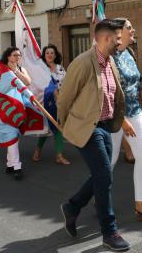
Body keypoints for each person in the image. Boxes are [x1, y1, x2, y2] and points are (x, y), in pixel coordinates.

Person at [57, 19, 130, 252]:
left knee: (102, 174)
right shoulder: (82, 63)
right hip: (86, 127)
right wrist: (65, 126)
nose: (120, 41)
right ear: (106, 38)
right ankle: (109, 232)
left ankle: (73, 207)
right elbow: (65, 98)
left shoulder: (110, 63)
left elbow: (112, 95)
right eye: (118, 38)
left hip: (105, 125)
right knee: (104, 176)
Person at [111, 18, 142, 221]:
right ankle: (96, 195)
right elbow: (108, 91)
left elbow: (137, 83)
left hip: (135, 110)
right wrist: (121, 119)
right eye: (129, 27)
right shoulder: (108, 56)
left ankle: (140, 205)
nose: (133, 30)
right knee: (110, 160)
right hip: (115, 115)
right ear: (118, 33)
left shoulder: (130, 53)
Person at [33, 44, 70, 165]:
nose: (50, 55)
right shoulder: (40, 69)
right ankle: (38, 149)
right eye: (47, 53)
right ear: (44, 55)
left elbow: (66, 83)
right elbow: (35, 85)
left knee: (58, 127)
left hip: (58, 102)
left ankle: (59, 156)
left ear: (55, 55)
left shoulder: (60, 68)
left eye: (52, 53)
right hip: (44, 102)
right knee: (46, 128)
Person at [1, 46, 31, 181]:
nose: (17, 57)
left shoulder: (20, 69)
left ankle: (10, 163)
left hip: (19, 106)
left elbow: (28, 82)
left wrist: (16, 72)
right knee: (12, 134)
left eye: (19, 55)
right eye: (14, 55)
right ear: (8, 56)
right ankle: (17, 167)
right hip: (6, 106)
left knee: (14, 134)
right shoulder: (2, 69)